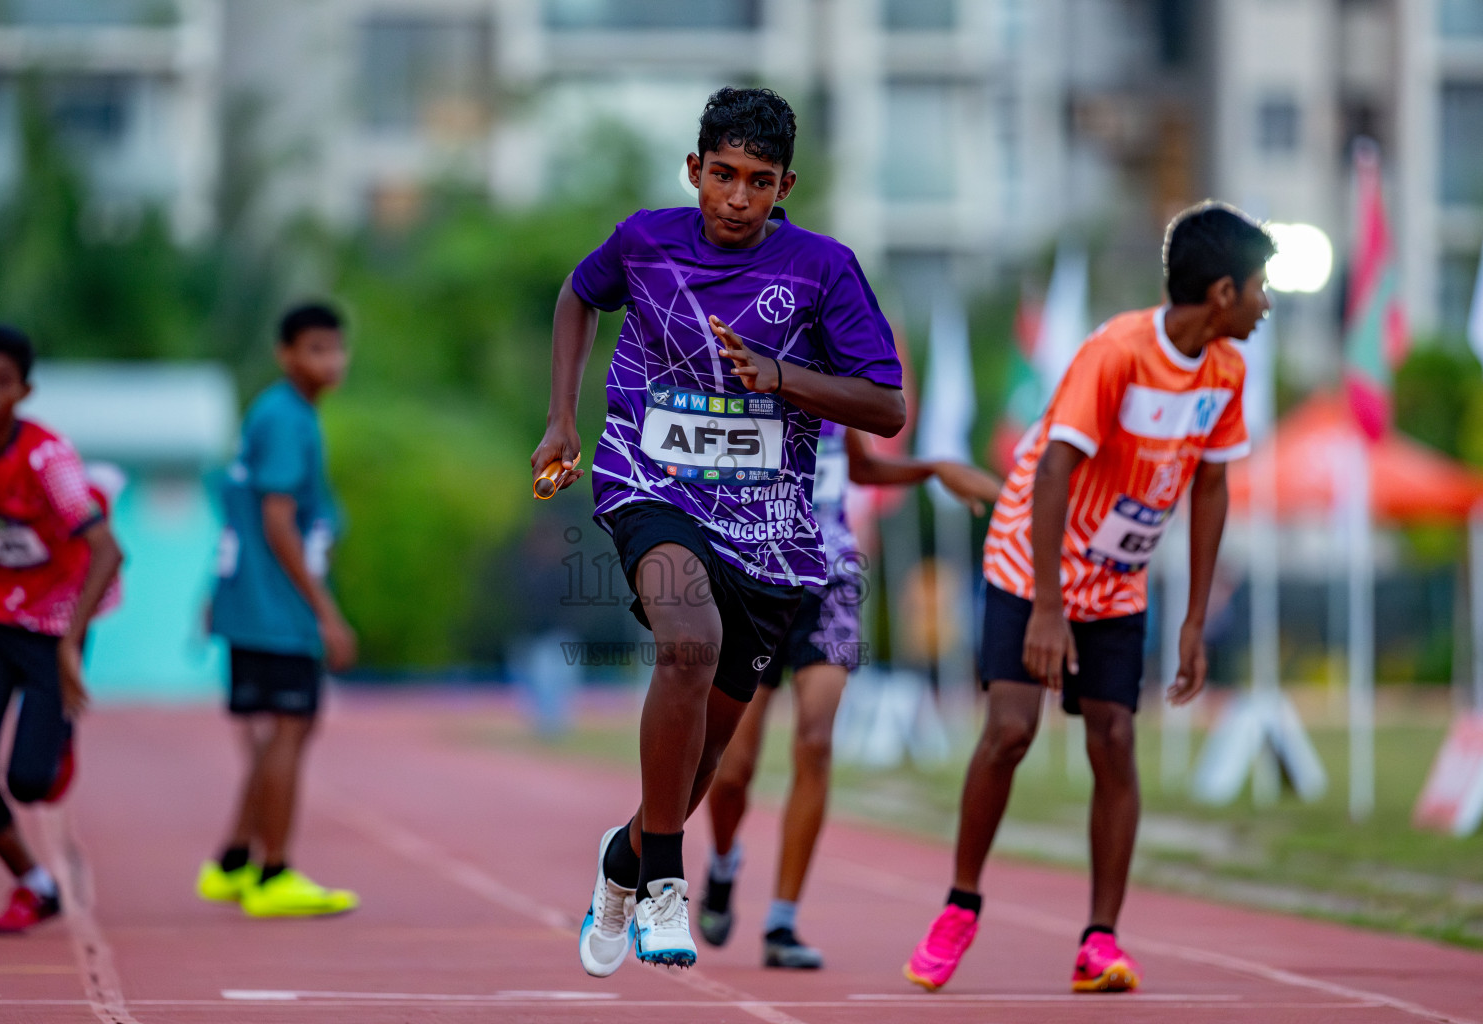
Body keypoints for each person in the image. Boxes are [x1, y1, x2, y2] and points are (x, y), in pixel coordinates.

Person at [534, 86, 905, 974]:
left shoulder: (823, 270)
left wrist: (780, 375)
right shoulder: (646, 240)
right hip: (648, 482)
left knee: (700, 768)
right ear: (694, 170)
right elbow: (579, 296)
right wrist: (561, 418)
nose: (737, 199)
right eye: (723, 176)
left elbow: (885, 405)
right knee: (688, 643)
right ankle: (667, 886)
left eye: (759, 182)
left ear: (786, 188)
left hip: (772, 533)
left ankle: (624, 860)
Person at [903, 202, 1274, 994]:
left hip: (1118, 580)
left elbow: (1211, 489)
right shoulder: (1117, 353)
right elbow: (1050, 473)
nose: (1265, 302)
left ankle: (1099, 940)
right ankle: (959, 907)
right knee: (1009, 729)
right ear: (1220, 292)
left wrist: (1195, 620)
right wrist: (1045, 605)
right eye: (1259, 286)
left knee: (1113, 737)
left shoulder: (1226, 371)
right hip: (1029, 559)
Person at [700, 421, 1003, 968]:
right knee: (733, 768)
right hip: (755, 577)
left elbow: (861, 467)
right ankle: (723, 863)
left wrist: (932, 468)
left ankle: (782, 922)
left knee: (815, 741)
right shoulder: (756, 372)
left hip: (832, 579)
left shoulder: (836, 387)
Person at [0, 325, 124, 934]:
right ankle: (34, 884)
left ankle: (59, 740)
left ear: (25, 390)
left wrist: (73, 643)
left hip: (52, 627)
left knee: (30, 781)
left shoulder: (49, 460)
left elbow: (107, 551)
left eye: (4, 383)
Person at [195, 302, 359, 919]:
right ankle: (274, 872)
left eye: (337, 348)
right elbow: (276, 519)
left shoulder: (274, 412)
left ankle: (233, 861)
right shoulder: (289, 418)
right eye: (316, 349)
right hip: (277, 609)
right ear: (286, 354)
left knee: (275, 735)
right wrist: (325, 611)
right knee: (288, 730)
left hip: (254, 602)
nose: (331, 361)